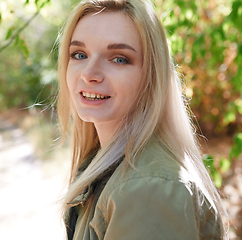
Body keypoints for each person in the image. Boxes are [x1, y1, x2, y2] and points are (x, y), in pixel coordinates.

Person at [56, 0, 227, 239]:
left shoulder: (148, 188)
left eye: (119, 58)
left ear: (151, 76)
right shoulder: (108, 164)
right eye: (79, 54)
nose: (89, 74)